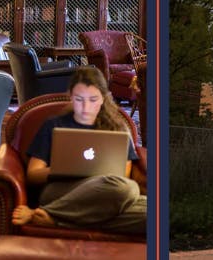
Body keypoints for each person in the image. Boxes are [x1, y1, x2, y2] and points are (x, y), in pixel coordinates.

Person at [11, 67, 146, 234]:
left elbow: (123, 174)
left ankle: (52, 219)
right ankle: (52, 211)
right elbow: (32, 174)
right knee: (128, 189)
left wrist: (95, 176)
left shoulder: (117, 128)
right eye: (79, 99)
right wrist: (64, 169)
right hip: (61, 192)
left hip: (104, 193)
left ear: (103, 99)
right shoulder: (53, 125)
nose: (85, 107)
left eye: (93, 99)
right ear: (70, 97)